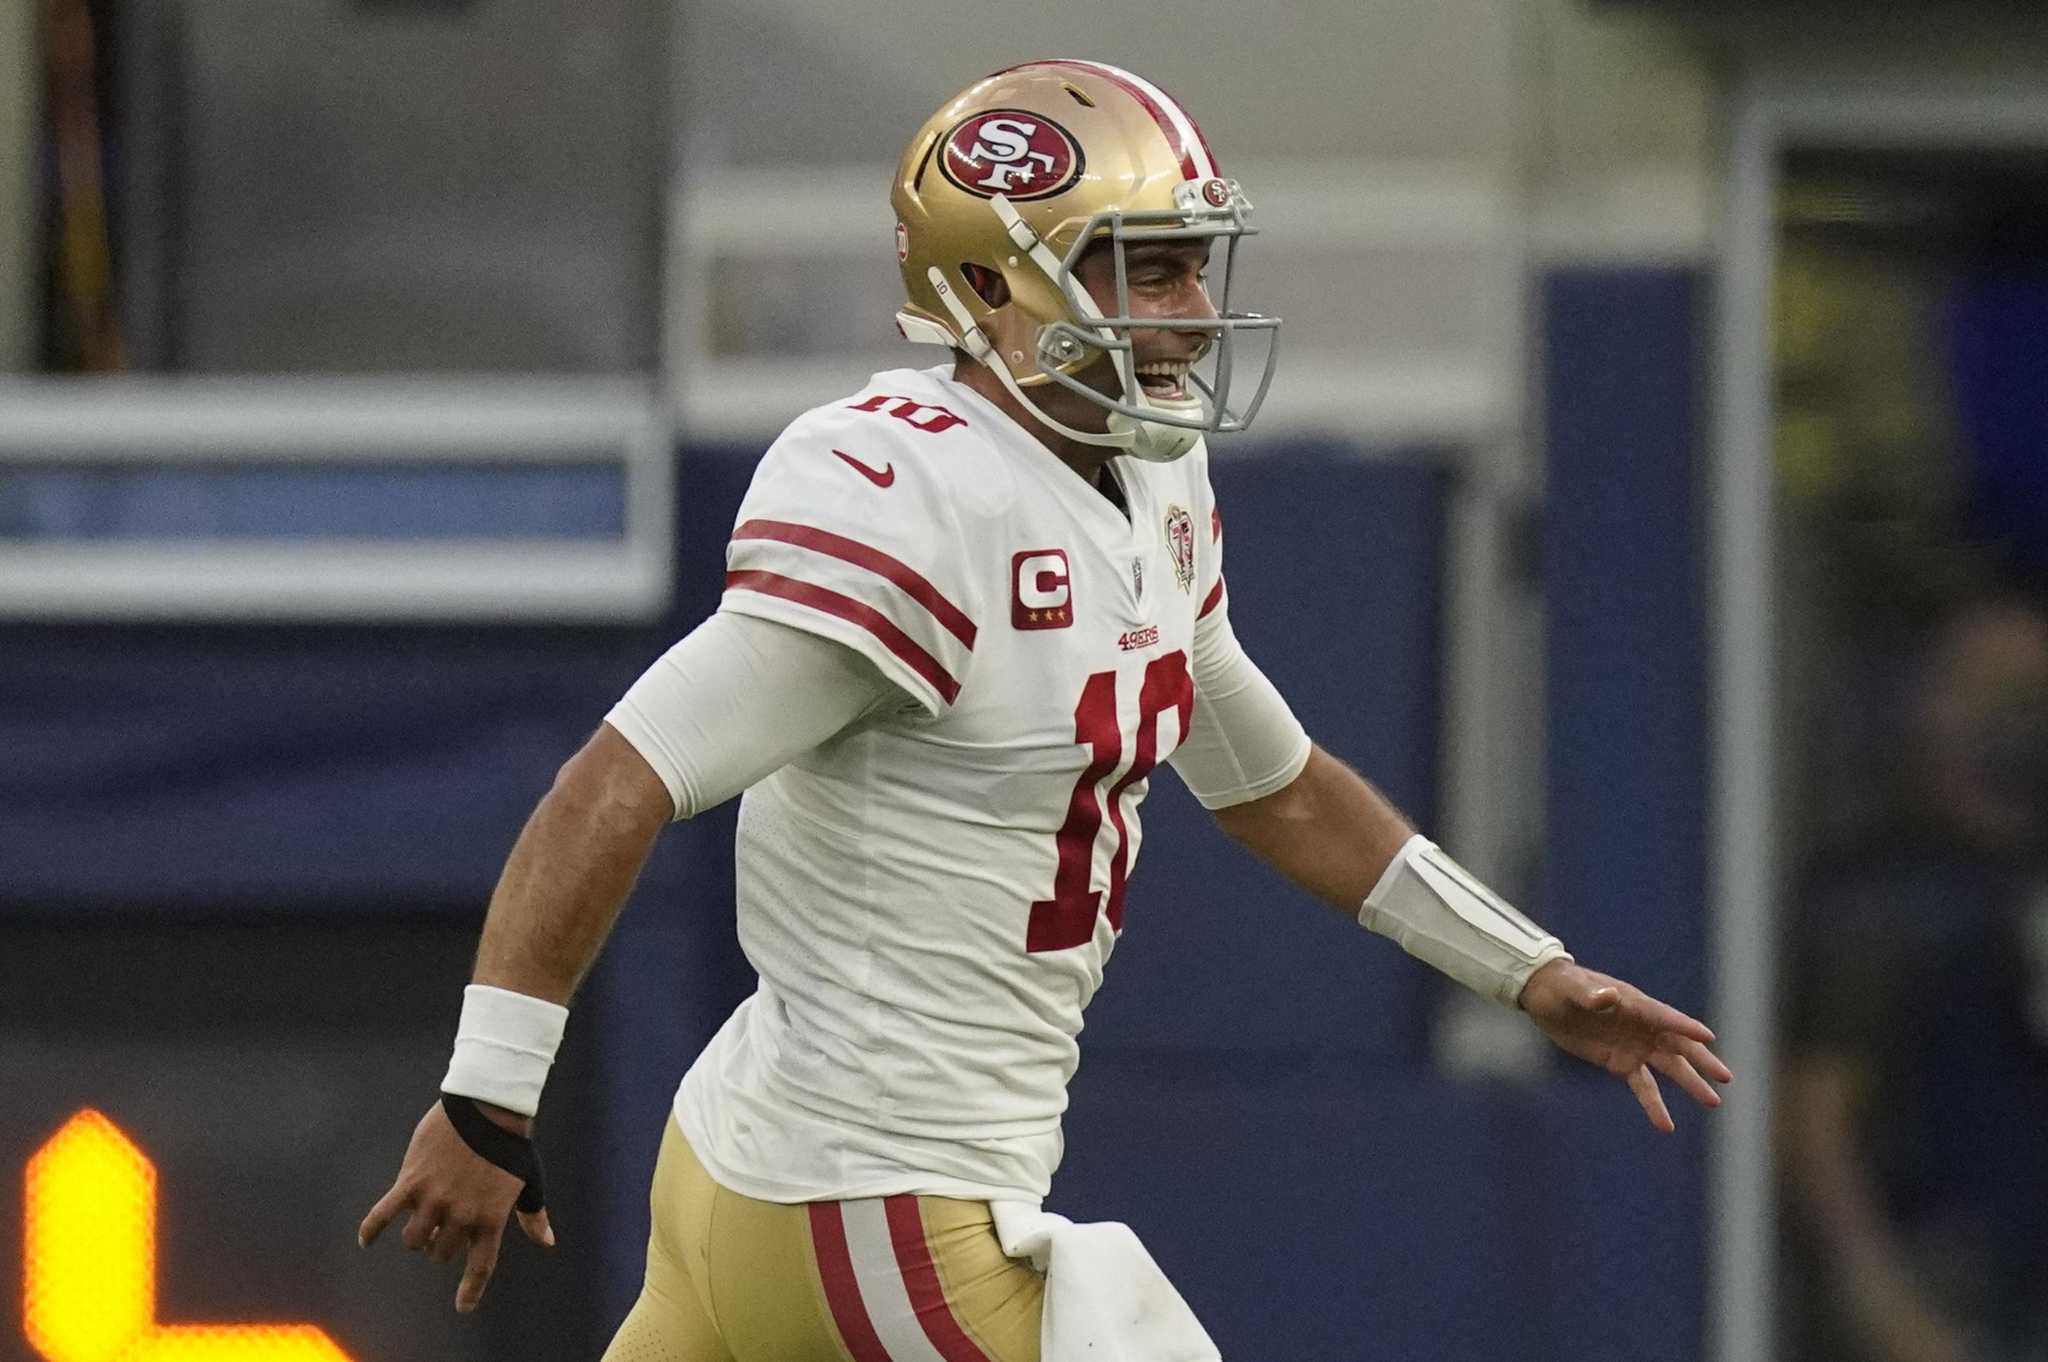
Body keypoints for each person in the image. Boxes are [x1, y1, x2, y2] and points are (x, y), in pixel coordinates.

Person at [358, 60, 1732, 1361]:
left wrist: (1526, 968)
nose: (1193, 309)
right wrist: (488, 1097)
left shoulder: (1151, 472)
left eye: (1195, 261)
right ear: (987, 289)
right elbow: (618, 779)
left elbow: (1272, 780)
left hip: (773, 1171)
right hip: (872, 1199)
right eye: (1146, 269)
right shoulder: (910, 495)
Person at [1781, 593, 2048, 1362]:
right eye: (1988, 695)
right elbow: (1814, 1122)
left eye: (2032, 700)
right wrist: (1885, 1306)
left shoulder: (2023, 879)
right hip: (1941, 1293)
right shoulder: (1879, 893)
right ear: (1925, 706)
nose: (2014, 728)